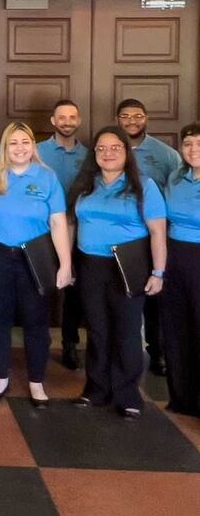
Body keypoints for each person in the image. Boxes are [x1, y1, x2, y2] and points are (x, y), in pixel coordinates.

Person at [0, 122, 72, 407]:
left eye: (25, 142)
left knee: (36, 321)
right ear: (5, 146)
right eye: (13, 143)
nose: (19, 148)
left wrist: (65, 264)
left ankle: (37, 383)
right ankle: (0, 378)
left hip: (36, 256)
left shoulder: (47, 177)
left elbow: (57, 222)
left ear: (33, 145)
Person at [70, 126, 166, 418]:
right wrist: (69, 263)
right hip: (90, 266)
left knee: (126, 331)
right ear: (94, 153)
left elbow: (157, 232)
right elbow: (73, 224)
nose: (107, 153)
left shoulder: (143, 186)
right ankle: (96, 389)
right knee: (97, 331)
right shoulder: (87, 184)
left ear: (126, 152)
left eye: (115, 148)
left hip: (128, 266)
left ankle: (127, 394)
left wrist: (158, 272)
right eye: (101, 148)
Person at [116, 98, 180, 376]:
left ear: (146, 118)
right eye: (126, 116)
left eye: (138, 116)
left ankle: (157, 352)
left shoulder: (165, 154)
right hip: (121, 238)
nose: (132, 121)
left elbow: (176, 188)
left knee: (155, 297)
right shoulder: (110, 149)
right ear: (118, 120)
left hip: (154, 236)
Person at [37, 99, 88, 370]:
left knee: (74, 290)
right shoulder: (36, 152)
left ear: (78, 121)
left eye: (72, 117)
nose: (67, 122)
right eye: (62, 117)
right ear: (53, 122)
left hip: (78, 232)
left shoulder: (90, 155)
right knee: (42, 288)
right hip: (43, 232)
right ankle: (40, 340)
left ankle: (70, 342)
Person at [163, 122, 200, 417]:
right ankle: (182, 397)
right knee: (177, 329)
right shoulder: (176, 177)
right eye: (188, 144)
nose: (193, 150)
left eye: (199, 144)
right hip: (176, 256)